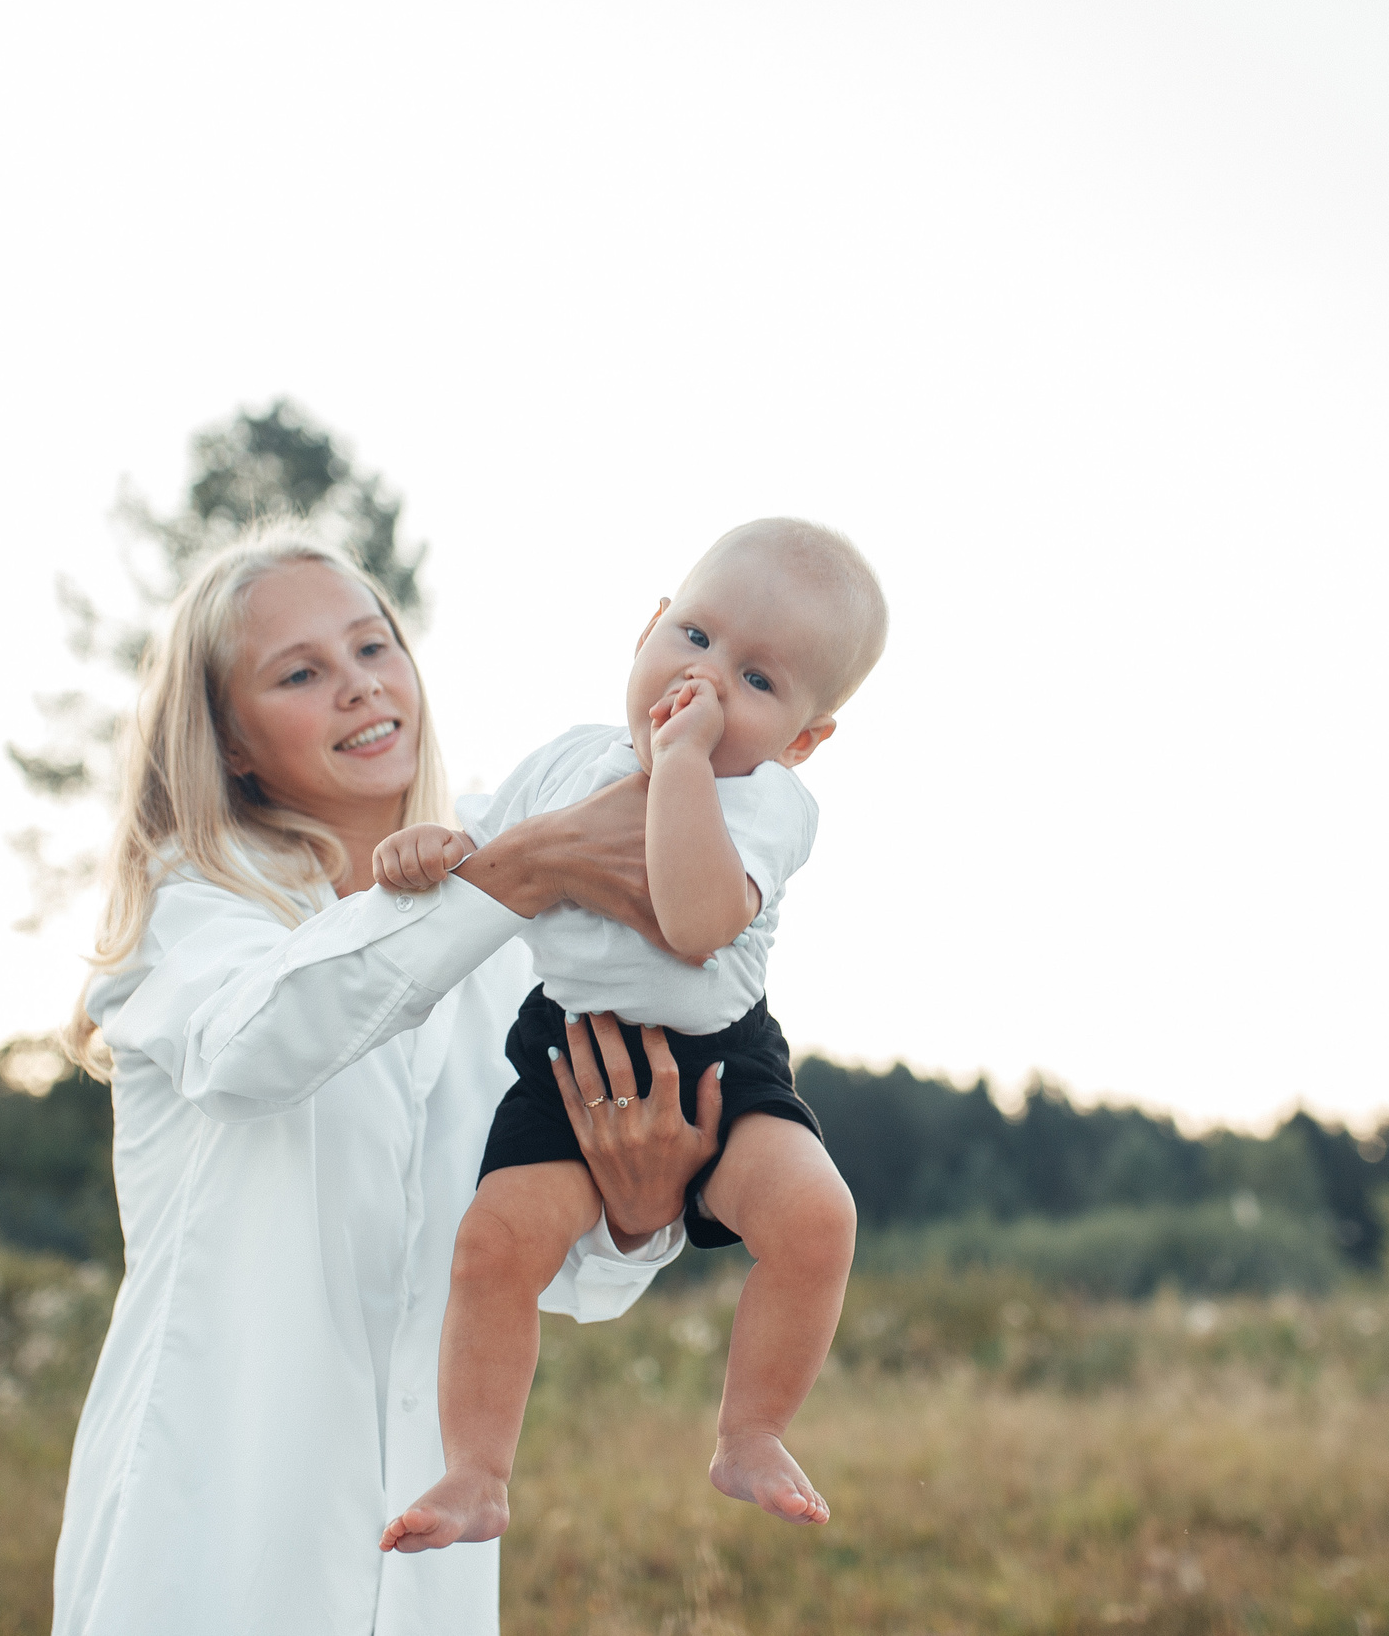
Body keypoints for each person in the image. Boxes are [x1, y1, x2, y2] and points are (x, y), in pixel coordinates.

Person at [49, 524, 723, 1636]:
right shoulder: (195, 913)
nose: (361, 689)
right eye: (301, 673)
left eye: (374, 648)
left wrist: (638, 1216)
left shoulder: (508, 954)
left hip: (421, 1557)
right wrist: (522, 870)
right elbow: (259, 1048)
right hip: (210, 1533)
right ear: (230, 743)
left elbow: (551, 1280)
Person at [374, 519, 886, 1554]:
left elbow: (696, 923)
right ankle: (477, 1471)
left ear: (803, 737)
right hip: (566, 1048)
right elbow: (496, 863)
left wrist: (684, 767)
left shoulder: (767, 803)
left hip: (723, 1063)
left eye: (755, 678)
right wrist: (437, 848)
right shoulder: (566, 758)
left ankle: (749, 1432)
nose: (703, 680)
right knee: (493, 1244)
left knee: (817, 1220)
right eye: (693, 636)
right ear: (648, 625)